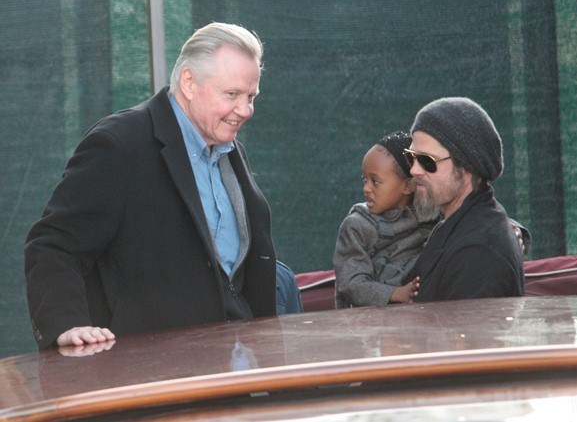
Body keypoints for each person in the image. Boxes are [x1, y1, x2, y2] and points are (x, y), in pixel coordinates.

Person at [24, 22, 277, 350]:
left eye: (251, 96)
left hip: (239, 361)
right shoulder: (118, 144)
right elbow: (53, 246)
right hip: (149, 368)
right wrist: (67, 325)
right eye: (232, 94)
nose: (245, 110)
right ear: (189, 82)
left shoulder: (230, 149)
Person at [402, 97, 525, 301]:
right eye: (411, 157)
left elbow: (466, 324)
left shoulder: (480, 253)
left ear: (466, 166)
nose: (414, 170)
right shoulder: (456, 224)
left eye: (426, 161)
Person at [333, 131, 439, 308]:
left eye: (375, 181)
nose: (366, 188)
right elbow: (350, 284)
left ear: (408, 186)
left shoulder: (430, 220)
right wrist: (396, 293)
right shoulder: (357, 226)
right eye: (364, 179)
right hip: (365, 321)